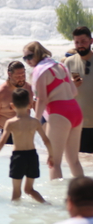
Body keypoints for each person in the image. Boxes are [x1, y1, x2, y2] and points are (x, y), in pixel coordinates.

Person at [25, 41, 84, 179]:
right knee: (74, 161)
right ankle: (86, 196)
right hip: (75, 110)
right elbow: (74, 91)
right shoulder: (60, 65)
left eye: (29, 56)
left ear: (37, 54)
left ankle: (55, 199)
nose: (27, 61)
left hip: (59, 112)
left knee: (54, 162)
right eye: (25, 58)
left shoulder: (40, 71)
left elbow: (42, 99)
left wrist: (35, 121)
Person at [0, 88, 53, 202]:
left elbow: (2, 142)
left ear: (12, 106)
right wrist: (51, 155)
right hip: (32, 156)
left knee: (16, 192)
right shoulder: (35, 122)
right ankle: (47, 205)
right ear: (29, 105)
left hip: (18, 157)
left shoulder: (11, 123)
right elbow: (46, 140)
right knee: (29, 189)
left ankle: (16, 218)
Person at [0, 61, 34, 144]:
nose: (21, 79)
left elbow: (39, 109)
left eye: (23, 75)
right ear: (9, 74)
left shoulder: (29, 89)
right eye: (18, 76)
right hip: (4, 132)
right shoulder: (0, 93)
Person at [63, 27, 93, 153]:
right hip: (77, 125)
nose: (80, 45)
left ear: (91, 41)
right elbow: (62, 94)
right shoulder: (68, 63)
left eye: (83, 41)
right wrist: (72, 86)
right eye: (77, 42)